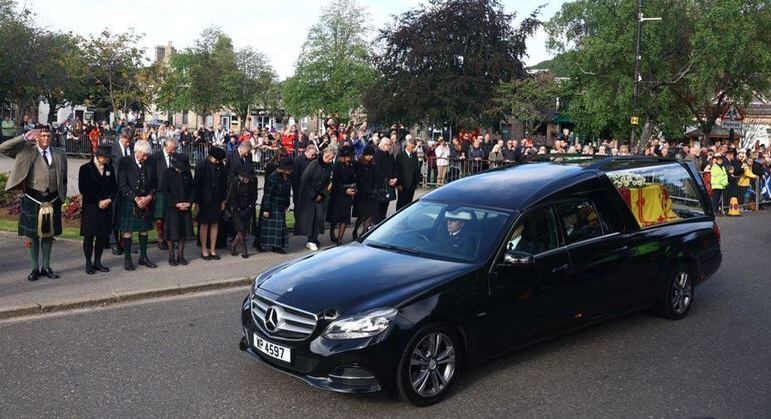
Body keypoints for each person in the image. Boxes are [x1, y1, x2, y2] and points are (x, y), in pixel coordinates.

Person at [0, 126, 67, 281]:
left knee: (49, 235)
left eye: (48, 136)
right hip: (32, 197)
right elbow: (3, 148)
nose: (45, 139)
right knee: (32, 235)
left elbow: (63, 178)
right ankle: (34, 268)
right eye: (42, 135)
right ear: (37, 137)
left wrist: (61, 196)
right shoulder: (25, 151)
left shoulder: (59, 154)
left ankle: (46, 267)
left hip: (53, 199)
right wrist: (24, 137)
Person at [116, 139, 157, 271]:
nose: (146, 158)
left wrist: (149, 196)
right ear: (137, 151)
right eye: (144, 155)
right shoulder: (125, 162)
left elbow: (155, 182)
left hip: (146, 201)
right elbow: (122, 184)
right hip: (129, 200)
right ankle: (127, 259)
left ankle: (143, 257)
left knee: (144, 230)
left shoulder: (150, 161)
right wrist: (135, 198)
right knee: (127, 231)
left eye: (147, 155)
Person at [78, 144, 117, 274]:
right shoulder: (85, 169)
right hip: (91, 206)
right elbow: (83, 188)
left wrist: (109, 199)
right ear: (98, 156)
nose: (107, 160)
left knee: (102, 235)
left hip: (106, 206)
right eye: (105, 157)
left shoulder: (109, 168)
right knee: (89, 236)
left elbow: (113, 187)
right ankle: (88, 262)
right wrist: (98, 200)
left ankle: (98, 261)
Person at [295, 147, 335, 251]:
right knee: (311, 218)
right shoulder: (314, 164)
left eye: (332, 159)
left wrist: (323, 193)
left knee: (319, 217)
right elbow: (305, 180)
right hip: (309, 195)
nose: (330, 161)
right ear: (324, 156)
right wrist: (313, 194)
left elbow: (328, 182)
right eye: (329, 158)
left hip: (321, 194)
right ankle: (310, 239)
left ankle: (315, 237)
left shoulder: (329, 166)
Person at [194, 147, 229, 260]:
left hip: (216, 199)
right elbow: (196, 186)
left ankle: (213, 250)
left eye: (220, 160)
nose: (218, 162)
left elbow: (224, 184)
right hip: (204, 200)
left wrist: (223, 200)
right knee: (204, 224)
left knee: (215, 224)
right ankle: (204, 249)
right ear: (210, 156)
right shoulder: (201, 166)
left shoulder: (221, 167)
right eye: (217, 159)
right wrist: (197, 203)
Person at [162, 154, 195, 266]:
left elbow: (192, 189)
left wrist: (189, 203)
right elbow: (165, 191)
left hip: (185, 206)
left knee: (183, 232)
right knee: (171, 233)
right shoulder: (168, 173)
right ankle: (171, 255)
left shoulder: (187, 172)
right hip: (173, 208)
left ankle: (180, 255)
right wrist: (176, 204)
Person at [258, 158, 294, 253]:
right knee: (270, 226)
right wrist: (266, 209)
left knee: (280, 226)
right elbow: (268, 194)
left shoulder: (287, 177)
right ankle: (261, 244)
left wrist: (287, 203)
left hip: (281, 204)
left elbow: (287, 191)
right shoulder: (273, 177)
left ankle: (277, 246)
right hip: (272, 204)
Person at [226, 164, 259, 258]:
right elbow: (232, 197)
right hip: (237, 209)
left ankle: (233, 245)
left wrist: (249, 207)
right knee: (240, 228)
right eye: (245, 177)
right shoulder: (235, 181)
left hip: (248, 207)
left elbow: (254, 195)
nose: (247, 179)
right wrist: (238, 209)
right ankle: (244, 249)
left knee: (245, 229)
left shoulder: (253, 181)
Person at [327, 146, 357, 244]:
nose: (349, 158)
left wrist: (353, 188)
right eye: (347, 156)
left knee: (345, 217)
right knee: (335, 217)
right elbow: (335, 183)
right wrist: (345, 190)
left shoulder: (352, 165)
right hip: (338, 194)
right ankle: (332, 232)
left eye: (350, 156)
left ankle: (340, 238)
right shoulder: (338, 166)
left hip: (349, 193)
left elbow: (354, 178)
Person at [152, 137, 178, 251]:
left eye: (175, 149)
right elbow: (151, 176)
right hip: (160, 191)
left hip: (173, 192)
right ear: (166, 146)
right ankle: (161, 239)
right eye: (172, 149)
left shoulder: (176, 157)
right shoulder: (155, 157)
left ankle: (170, 239)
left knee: (171, 218)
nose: (174, 151)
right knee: (159, 218)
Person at [110, 130, 133, 255]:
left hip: (128, 188)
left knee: (126, 216)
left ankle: (126, 243)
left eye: (129, 141)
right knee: (114, 215)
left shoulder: (132, 148)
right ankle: (114, 243)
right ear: (121, 137)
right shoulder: (113, 149)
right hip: (115, 187)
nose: (128, 143)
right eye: (126, 141)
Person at [352, 145, 379, 240]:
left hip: (371, 193)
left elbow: (376, 177)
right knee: (361, 215)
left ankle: (364, 231)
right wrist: (369, 190)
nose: (370, 157)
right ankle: (355, 230)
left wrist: (374, 189)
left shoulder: (373, 164)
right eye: (368, 155)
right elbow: (360, 180)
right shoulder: (360, 164)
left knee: (370, 214)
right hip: (362, 193)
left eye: (371, 155)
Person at [374, 138, 397, 223]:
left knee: (385, 207)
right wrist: (387, 180)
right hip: (380, 185)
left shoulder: (390, 155)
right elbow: (377, 170)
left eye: (389, 144)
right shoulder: (377, 154)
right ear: (382, 144)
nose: (388, 146)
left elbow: (394, 168)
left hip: (389, 184)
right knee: (378, 209)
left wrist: (395, 178)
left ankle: (382, 223)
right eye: (386, 144)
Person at [395, 136, 419, 210]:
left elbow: (416, 168)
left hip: (412, 184)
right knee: (401, 203)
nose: (413, 149)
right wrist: (398, 184)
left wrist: (416, 181)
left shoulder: (414, 155)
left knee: (409, 203)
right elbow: (397, 170)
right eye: (412, 147)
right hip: (403, 185)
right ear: (407, 146)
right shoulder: (400, 156)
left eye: (414, 147)